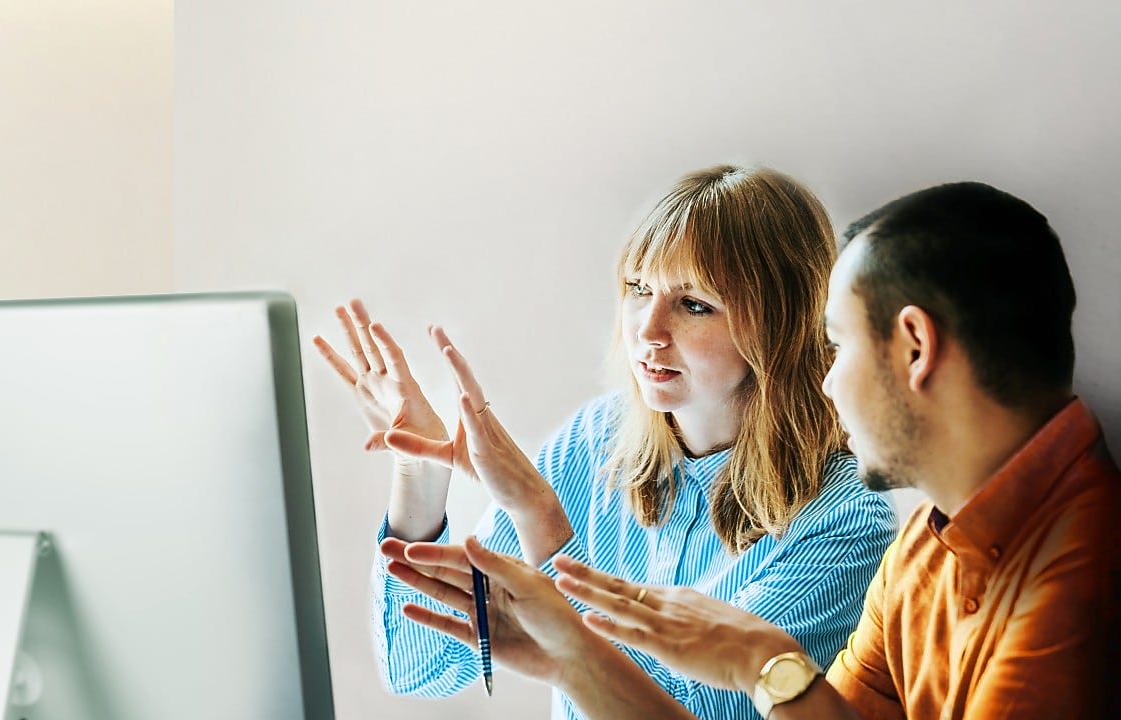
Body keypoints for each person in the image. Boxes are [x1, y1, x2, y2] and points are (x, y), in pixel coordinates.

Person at [392, 180, 1121, 719]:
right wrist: (575, 659)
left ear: (915, 347)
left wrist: (760, 664)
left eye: (838, 345)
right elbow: (418, 666)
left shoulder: (1079, 576)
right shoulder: (928, 546)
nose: (828, 380)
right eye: (638, 290)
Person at [314, 165, 898, 720]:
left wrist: (540, 518)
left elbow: (688, 709)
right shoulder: (595, 440)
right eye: (639, 289)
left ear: (781, 325)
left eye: (694, 304)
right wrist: (420, 476)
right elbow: (420, 668)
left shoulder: (846, 519)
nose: (648, 330)